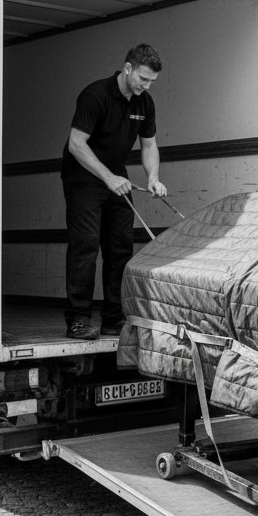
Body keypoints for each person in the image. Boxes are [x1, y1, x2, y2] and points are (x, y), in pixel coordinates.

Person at [61, 44, 167, 341]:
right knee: (85, 245)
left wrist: (154, 178)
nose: (146, 86)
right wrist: (107, 177)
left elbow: (149, 145)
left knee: (120, 247)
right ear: (128, 68)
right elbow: (76, 144)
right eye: (143, 79)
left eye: (151, 82)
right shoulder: (95, 95)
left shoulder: (144, 103)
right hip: (84, 176)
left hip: (116, 178)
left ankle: (113, 318)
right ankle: (79, 320)